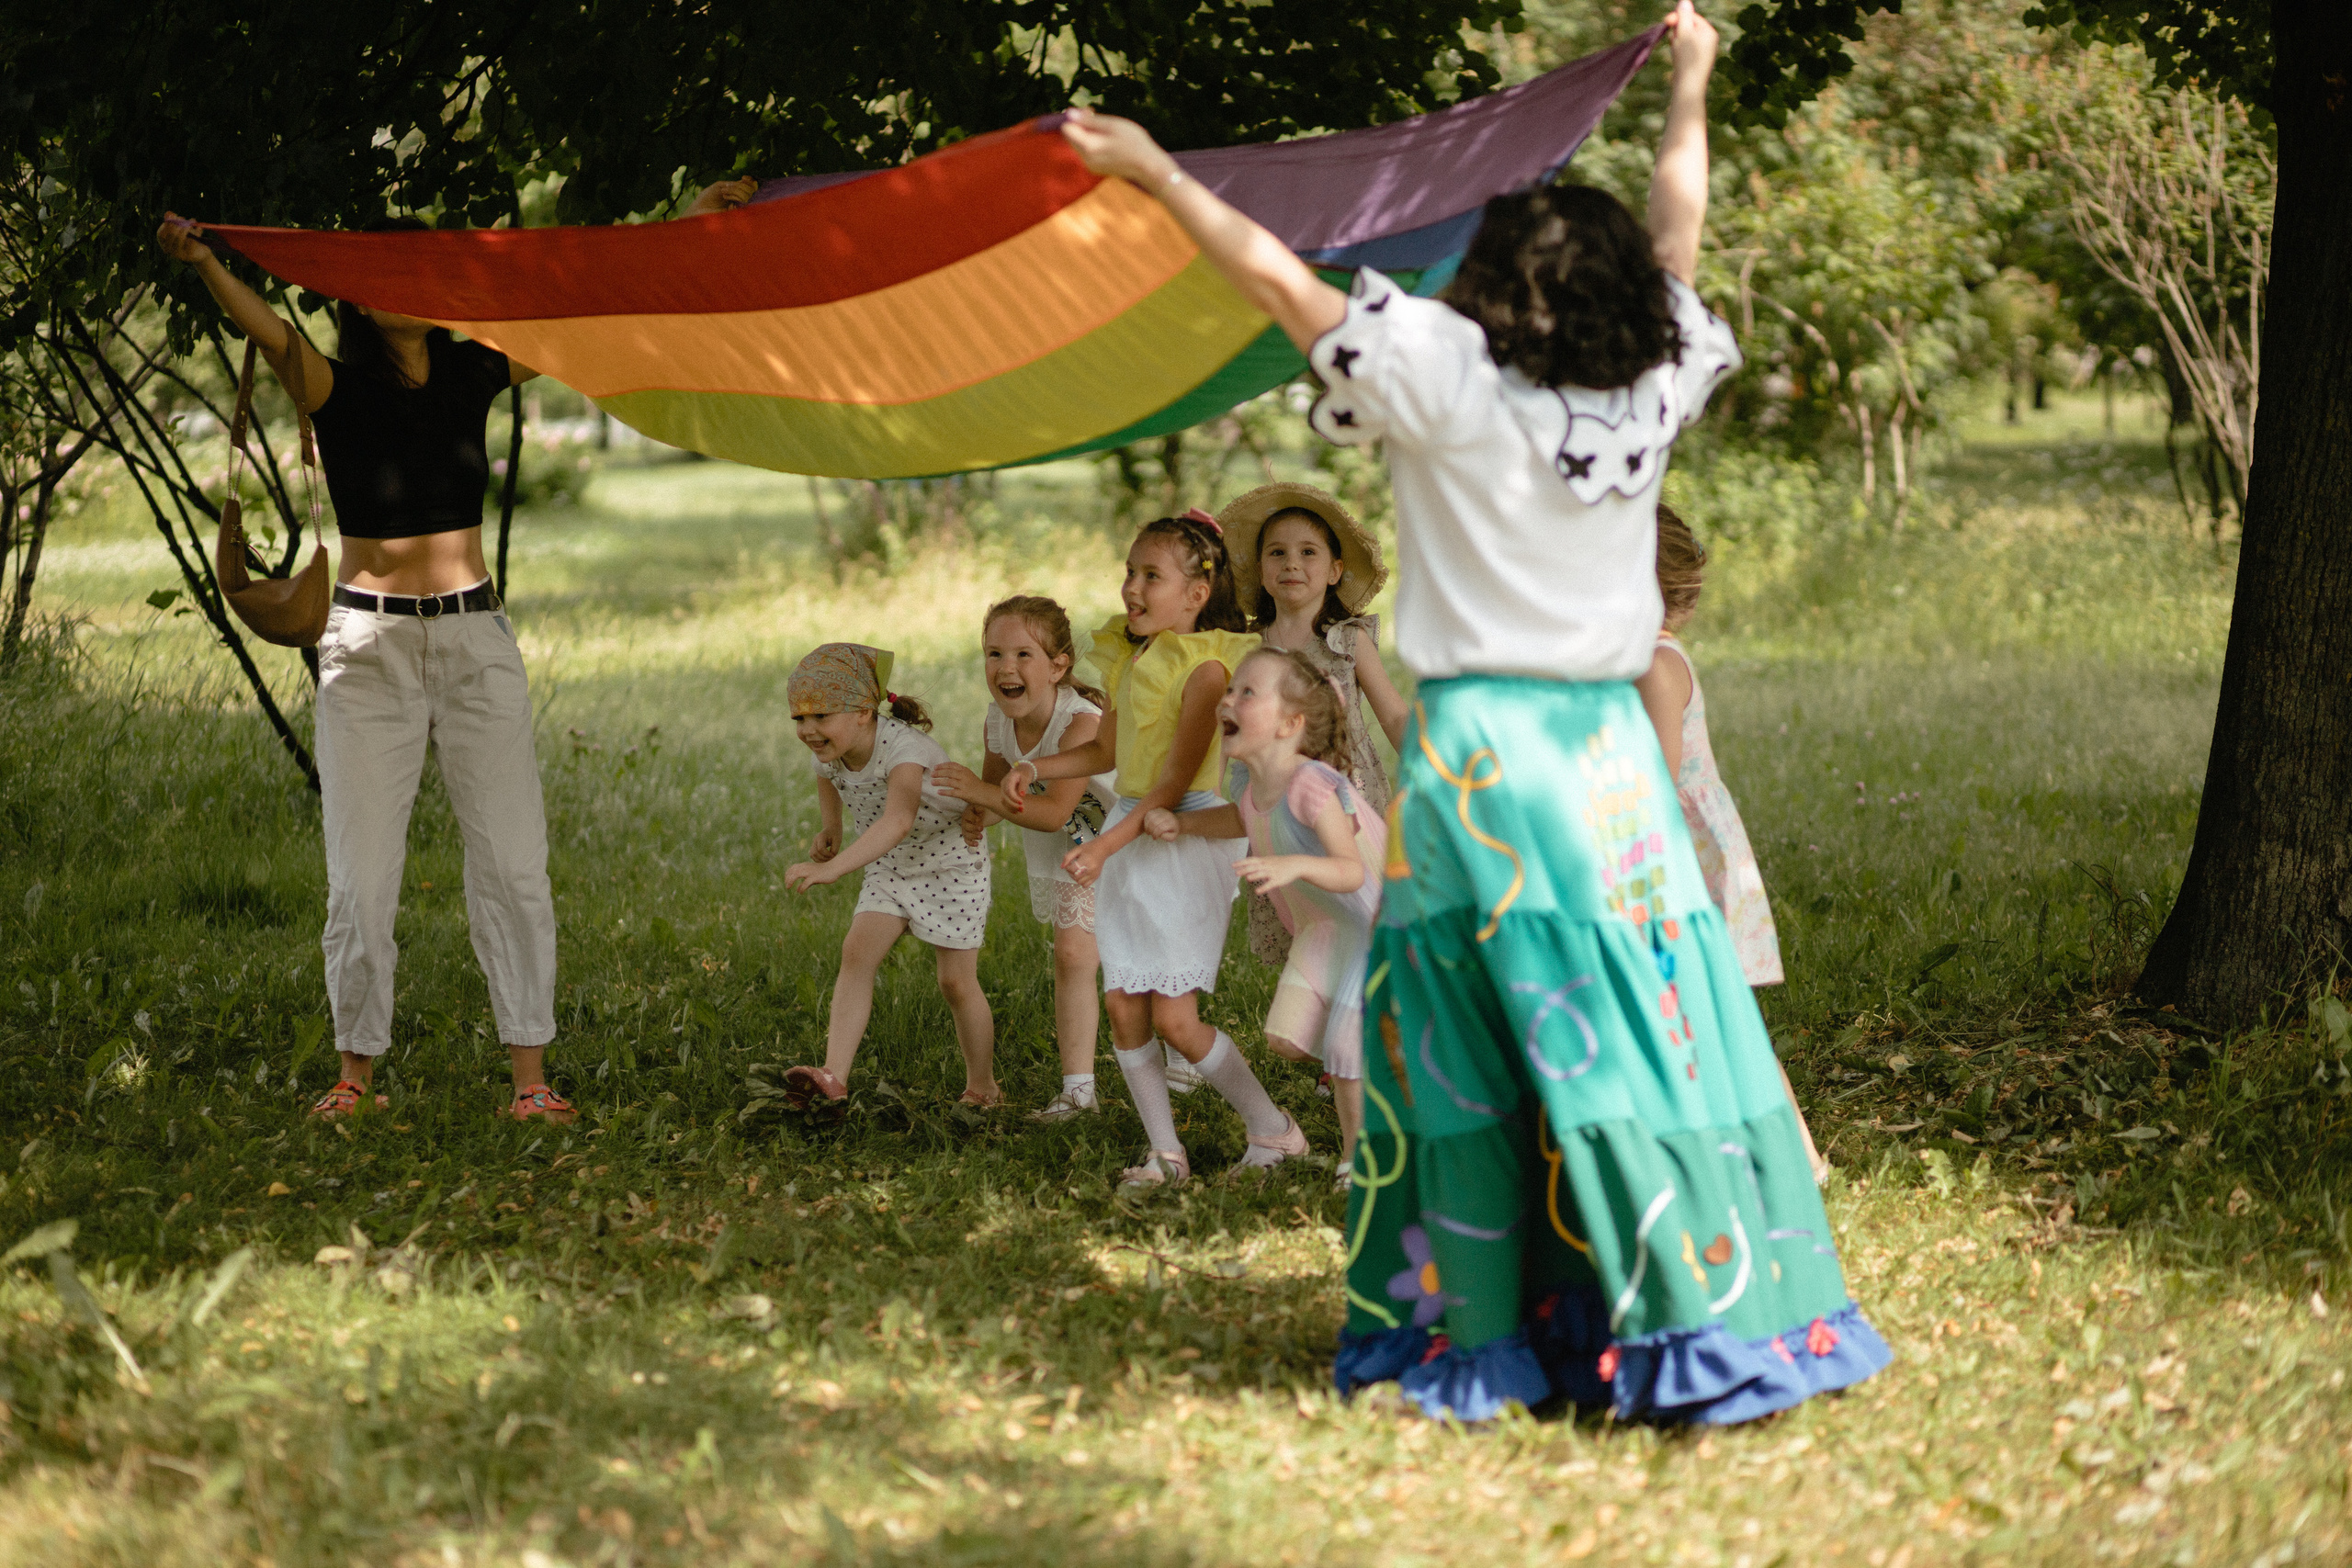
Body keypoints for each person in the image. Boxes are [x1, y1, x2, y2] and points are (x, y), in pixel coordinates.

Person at [1055, 0, 1889, 1422]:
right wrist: (1692, 78)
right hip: (1611, 763)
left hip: (1484, 761)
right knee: (1643, 1027)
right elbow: (1681, 224)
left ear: (1490, 291)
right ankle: (1698, 1317)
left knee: (1460, 1044)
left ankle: (1479, 1333)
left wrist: (1154, 170)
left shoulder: (1445, 377)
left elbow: (1283, 279)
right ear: (1625, 293)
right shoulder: (1650, 381)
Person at [1001, 513, 1304, 1190]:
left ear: (1196, 594)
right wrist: (1036, 766)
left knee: (1175, 1016)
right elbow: (1108, 752)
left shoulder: (1206, 669)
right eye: (1129, 573)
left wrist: (1105, 844)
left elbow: (1170, 781)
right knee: (1124, 1005)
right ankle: (1166, 1154)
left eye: (1151, 576)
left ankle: (1274, 1127)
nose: (1131, 588)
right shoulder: (1133, 656)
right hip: (1133, 837)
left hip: (1178, 842)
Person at [1634, 505, 1829, 1182]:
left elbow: (1652, 784)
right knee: (1706, 1015)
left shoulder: (1654, 667)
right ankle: (1755, 1155)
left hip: (1680, 863)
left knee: (1721, 1017)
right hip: (1681, 858)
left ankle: (1796, 1159)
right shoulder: (1644, 659)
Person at [1147, 648, 1385, 1186]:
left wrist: (1291, 863)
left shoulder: (1313, 785)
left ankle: (1360, 1160)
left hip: (1377, 926)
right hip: (1326, 930)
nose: (1227, 699)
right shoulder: (1256, 789)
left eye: (1247, 692)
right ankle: (1393, 1064)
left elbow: (1350, 871)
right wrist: (1184, 826)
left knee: (1347, 1048)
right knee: (1286, 1039)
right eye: (1231, 690)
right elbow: (1243, 817)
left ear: (1289, 724)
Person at [780, 644, 996, 1112]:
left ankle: (984, 1086)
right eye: (799, 718)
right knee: (856, 954)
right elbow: (826, 776)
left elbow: (898, 820)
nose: (808, 730)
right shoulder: (829, 748)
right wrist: (831, 829)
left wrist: (831, 869)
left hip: (951, 863)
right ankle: (833, 1075)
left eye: (820, 715)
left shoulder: (906, 749)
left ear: (862, 711)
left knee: (956, 983)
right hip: (890, 866)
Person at [931, 596, 1118, 1121]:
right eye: (994, 654)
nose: (1005, 668)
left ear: (1059, 666)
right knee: (1073, 956)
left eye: (1022, 655)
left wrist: (985, 796)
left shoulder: (1081, 720)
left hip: (1124, 839)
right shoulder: (999, 721)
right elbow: (997, 791)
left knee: (1141, 947)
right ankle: (1079, 1091)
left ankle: (1183, 1052)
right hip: (1074, 850)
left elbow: (1056, 811)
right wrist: (980, 813)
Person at [1218, 483, 1406, 976]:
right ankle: (1320, 1012)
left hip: (1347, 793)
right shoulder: (1249, 648)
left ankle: (1364, 1016)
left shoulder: (1348, 642)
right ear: (1261, 570)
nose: (1292, 564)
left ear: (1335, 570)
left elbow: (1391, 714)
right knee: (1303, 915)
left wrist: (1430, 762)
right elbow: (1227, 726)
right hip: (1276, 801)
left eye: (1308, 552)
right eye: (1277, 553)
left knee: (1358, 904)